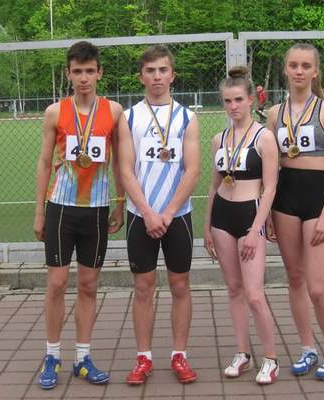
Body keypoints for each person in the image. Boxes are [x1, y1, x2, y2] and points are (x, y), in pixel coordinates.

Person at [33, 41, 125, 390]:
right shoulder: (54, 112)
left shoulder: (114, 111)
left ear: (100, 73)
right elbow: (44, 163)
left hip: (97, 210)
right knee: (56, 284)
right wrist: (39, 210)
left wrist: (120, 203)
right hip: (61, 209)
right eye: (77, 72)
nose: (84, 78)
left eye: (89, 71)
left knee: (88, 285)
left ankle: (83, 358)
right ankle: (52, 356)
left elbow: (120, 162)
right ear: (68, 74)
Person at [117, 45, 201, 385]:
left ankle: (180, 355)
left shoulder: (187, 117)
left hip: (177, 215)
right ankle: (144, 358)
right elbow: (125, 170)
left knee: (180, 285)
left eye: (163, 70)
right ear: (141, 77)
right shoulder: (128, 117)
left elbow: (192, 170)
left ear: (172, 75)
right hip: (141, 215)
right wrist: (149, 213)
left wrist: (167, 212)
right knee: (143, 287)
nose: (156, 77)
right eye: (150, 71)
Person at [266, 43, 324, 380]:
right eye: (293, 65)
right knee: (295, 279)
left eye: (305, 66)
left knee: (317, 287)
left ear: (315, 72)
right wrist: (267, 213)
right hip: (285, 200)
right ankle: (307, 348)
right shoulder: (274, 113)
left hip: (317, 200)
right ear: (286, 69)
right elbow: (270, 167)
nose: (299, 71)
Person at [203, 67, 279, 384]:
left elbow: (270, 188)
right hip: (222, 217)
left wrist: (255, 230)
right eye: (227, 101)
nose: (232, 106)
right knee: (234, 289)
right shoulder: (219, 139)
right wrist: (207, 226)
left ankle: (271, 359)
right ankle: (242, 353)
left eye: (238, 100)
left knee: (254, 294)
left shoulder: (264, 138)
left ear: (251, 100)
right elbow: (214, 185)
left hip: (250, 216)